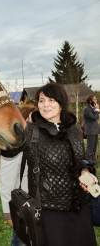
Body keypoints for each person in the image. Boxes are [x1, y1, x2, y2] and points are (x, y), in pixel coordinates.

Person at [10, 83, 97, 246]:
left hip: (79, 208)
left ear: (61, 103)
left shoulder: (73, 129)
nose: (45, 105)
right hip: (49, 212)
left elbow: (81, 159)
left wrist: (85, 171)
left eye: (51, 100)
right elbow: (9, 150)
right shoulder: (30, 132)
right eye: (41, 101)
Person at [0, 105, 36, 246]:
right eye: (34, 118)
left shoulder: (37, 141)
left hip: (37, 203)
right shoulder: (15, 146)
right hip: (22, 203)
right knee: (22, 240)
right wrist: (8, 212)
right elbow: (6, 180)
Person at [83, 94, 99, 165]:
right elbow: (93, 118)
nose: (96, 100)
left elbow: (97, 117)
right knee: (90, 147)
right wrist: (96, 110)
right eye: (94, 99)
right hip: (90, 130)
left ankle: (93, 161)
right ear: (90, 101)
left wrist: (97, 110)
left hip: (95, 130)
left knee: (94, 147)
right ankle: (88, 161)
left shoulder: (93, 108)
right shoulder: (87, 109)